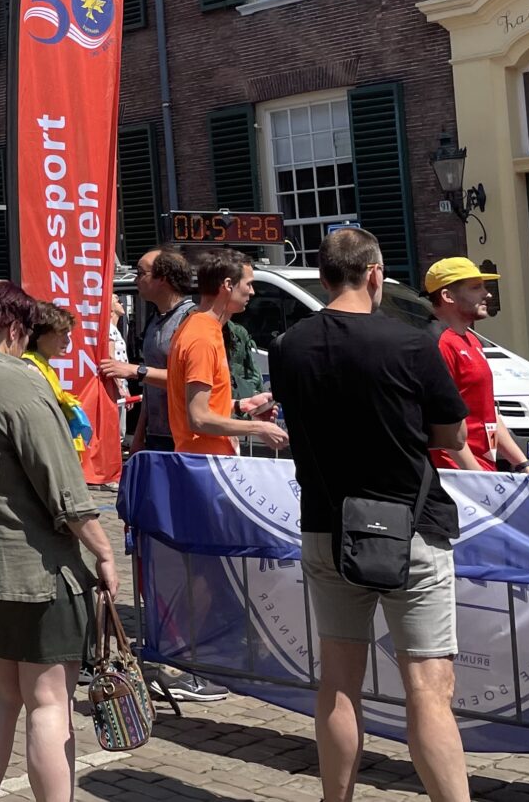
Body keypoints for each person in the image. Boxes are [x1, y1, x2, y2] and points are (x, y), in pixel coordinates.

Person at [272, 227, 472, 802]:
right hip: (409, 527)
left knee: (338, 681)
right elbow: (450, 432)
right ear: (375, 274)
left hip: (328, 527)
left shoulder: (290, 346)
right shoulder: (410, 345)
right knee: (429, 691)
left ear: (325, 276)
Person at [0, 285, 117, 802]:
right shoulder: (23, 385)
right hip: (34, 566)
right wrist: (103, 551)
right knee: (48, 701)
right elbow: (64, 488)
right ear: (15, 329)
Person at [166, 249, 286, 457]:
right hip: (206, 462)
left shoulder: (202, 328)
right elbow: (199, 419)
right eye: (248, 284)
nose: (252, 292)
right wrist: (259, 428)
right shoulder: (201, 337)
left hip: (207, 459)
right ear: (228, 285)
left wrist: (242, 405)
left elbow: (202, 407)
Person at [424, 258, 529, 476]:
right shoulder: (438, 344)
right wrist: (477, 477)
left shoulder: (471, 340)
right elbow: (443, 422)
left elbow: (489, 414)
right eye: (476, 287)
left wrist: (524, 464)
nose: (487, 294)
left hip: (483, 473)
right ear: (447, 296)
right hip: (457, 478)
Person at [100, 247, 194, 452]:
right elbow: (150, 389)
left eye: (141, 273)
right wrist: (139, 435)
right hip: (156, 435)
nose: (135, 280)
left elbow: (190, 380)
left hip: (186, 437)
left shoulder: (191, 319)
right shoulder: (155, 319)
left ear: (164, 279)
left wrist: (134, 370)